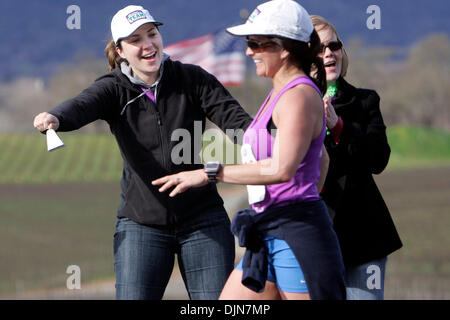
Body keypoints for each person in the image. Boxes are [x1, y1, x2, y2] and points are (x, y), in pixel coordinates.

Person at [33, 5, 253, 300]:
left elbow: (238, 122)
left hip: (203, 219)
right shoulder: (114, 89)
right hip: (142, 225)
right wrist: (56, 118)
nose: (148, 44)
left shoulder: (192, 79)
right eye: (135, 40)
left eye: (152, 34)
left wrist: (276, 137)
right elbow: (83, 104)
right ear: (120, 50)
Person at [153, 0, 346, 300]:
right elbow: (321, 159)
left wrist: (209, 174)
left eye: (257, 44)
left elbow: (282, 169)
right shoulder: (279, 94)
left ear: (284, 48)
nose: (248, 51)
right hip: (267, 230)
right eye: (248, 43)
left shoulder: (298, 96)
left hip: (296, 236)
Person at [311, 15, 403, 300]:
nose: (329, 53)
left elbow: (379, 159)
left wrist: (340, 126)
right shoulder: (292, 104)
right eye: (320, 47)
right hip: (314, 238)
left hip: (364, 238)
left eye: (334, 45)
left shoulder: (365, 101)